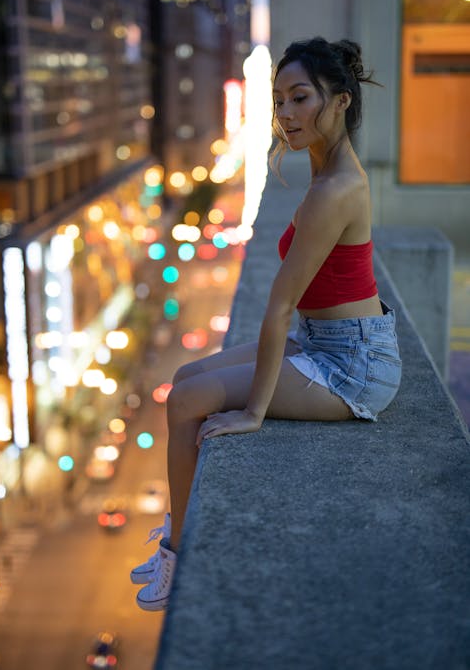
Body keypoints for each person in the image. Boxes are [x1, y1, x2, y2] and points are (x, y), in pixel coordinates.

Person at [131, 36, 402, 611]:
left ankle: (182, 552)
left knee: (186, 402)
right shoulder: (325, 172)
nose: (284, 114)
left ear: (340, 101)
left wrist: (254, 412)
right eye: (278, 101)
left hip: (352, 366)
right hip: (329, 342)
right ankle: (181, 522)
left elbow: (279, 306)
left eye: (299, 98)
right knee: (185, 376)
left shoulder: (338, 187)